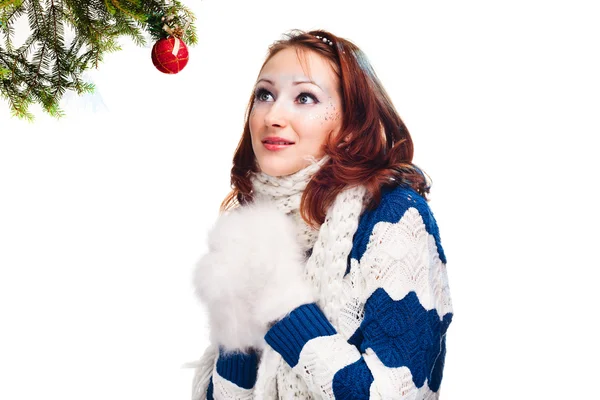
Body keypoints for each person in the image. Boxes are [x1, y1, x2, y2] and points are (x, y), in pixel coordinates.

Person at [189, 29, 453, 399]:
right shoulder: (257, 225)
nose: (273, 115)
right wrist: (236, 331)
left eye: (305, 97)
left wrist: (284, 308)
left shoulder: (393, 215)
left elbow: (395, 393)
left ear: (349, 124)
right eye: (264, 94)